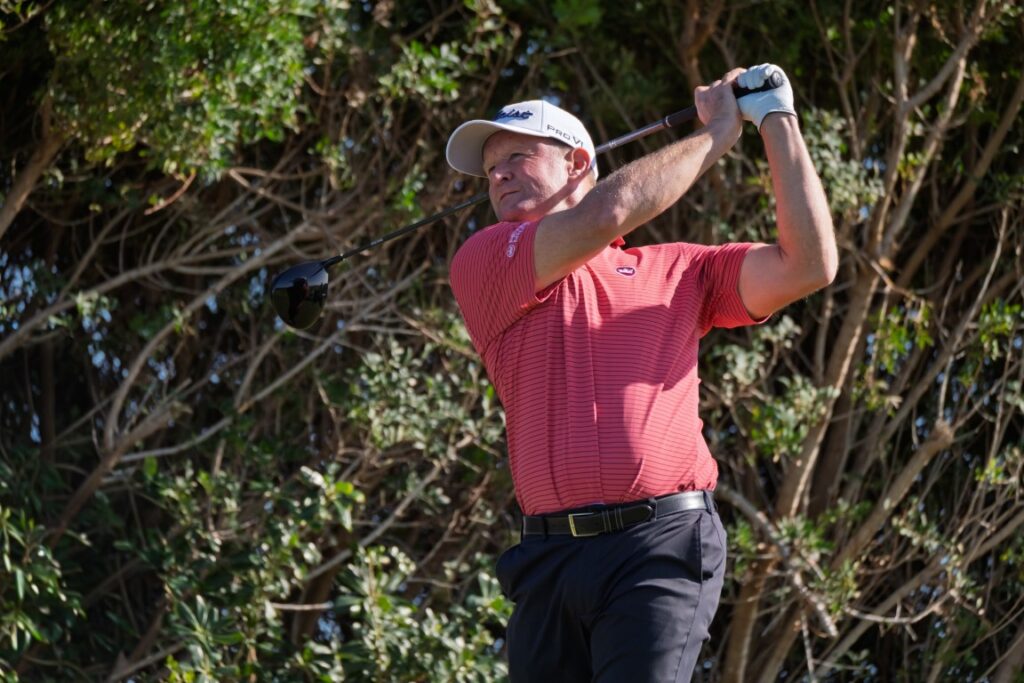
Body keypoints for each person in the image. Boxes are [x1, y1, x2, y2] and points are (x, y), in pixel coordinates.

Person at [445, 64, 837, 682]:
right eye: (491, 167)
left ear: (578, 163)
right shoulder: (487, 261)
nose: (497, 174)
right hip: (547, 558)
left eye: (518, 155)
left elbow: (808, 265)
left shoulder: (679, 270)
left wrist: (775, 119)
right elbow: (613, 209)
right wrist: (718, 134)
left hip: (660, 545)